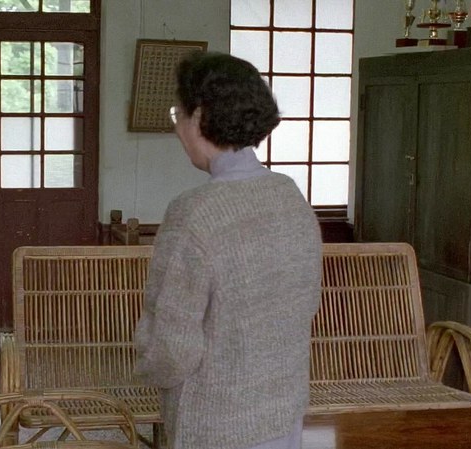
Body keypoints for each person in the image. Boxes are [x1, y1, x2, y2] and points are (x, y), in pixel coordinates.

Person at [133, 52, 322, 449]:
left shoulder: (193, 212)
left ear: (199, 117)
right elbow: (305, 303)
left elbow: (172, 348)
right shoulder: (289, 196)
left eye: (177, 115)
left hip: (216, 424)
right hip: (283, 413)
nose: (177, 129)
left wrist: (146, 369)